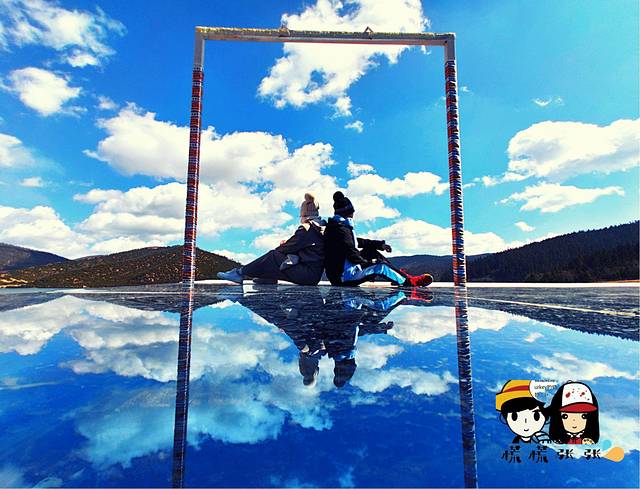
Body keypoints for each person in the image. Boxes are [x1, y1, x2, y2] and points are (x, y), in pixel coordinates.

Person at [323, 191, 433, 287]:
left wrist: (380, 245)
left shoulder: (338, 227)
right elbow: (351, 252)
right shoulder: (341, 229)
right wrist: (368, 264)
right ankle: (409, 282)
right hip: (344, 277)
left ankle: (399, 276)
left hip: (342, 272)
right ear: (348, 213)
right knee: (380, 266)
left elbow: (357, 241)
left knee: (370, 252)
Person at [217, 193, 325, 285]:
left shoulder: (307, 229)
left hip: (307, 275)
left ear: (304, 214)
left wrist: (284, 245)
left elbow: (286, 248)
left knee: (273, 255)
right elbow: (301, 246)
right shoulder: (320, 227)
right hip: (314, 275)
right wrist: (288, 244)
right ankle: (268, 277)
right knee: (281, 258)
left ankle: (239, 273)